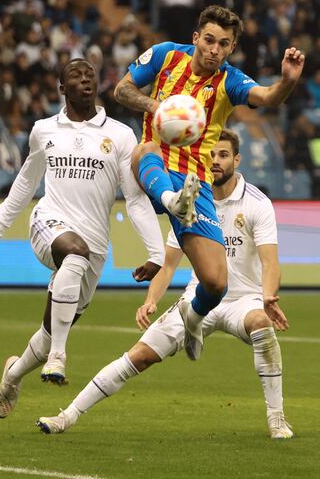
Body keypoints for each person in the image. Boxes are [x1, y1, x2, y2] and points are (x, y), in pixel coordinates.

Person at [36, 129, 293, 439]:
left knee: (261, 323)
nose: (215, 161)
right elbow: (169, 264)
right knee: (138, 356)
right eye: (210, 154)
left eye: (223, 155)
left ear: (237, 159)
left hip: (244, 301)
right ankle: (68, 415)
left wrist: (268, 296)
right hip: (197, 300)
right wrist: (151, 300)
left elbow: (269, 261)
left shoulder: (256, 203)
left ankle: (276, 418)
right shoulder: (192, 199)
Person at [0, 58, 165, 418]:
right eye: (75, 75)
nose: (85, 79)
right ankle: (59, 357)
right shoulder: (44, 129)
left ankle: (14, 374)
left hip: (94, 244)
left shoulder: (120, 134)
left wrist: (156, 252)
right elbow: (27, 181)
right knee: (74, 254)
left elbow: (134, 198)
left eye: (89, 74)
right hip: (49, 222)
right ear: (62, 88)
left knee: (48, 330)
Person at [113, 4, 305, 361]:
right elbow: (121, 91)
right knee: (141, 150)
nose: (215, 50)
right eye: (210, 41)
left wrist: (288, 82)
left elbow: (266, 96)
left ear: (231, 48)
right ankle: (170, 200)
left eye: (224, 44)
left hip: (194, 186)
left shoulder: (229, 81)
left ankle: (193, 317)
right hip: (155, 172)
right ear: (196, 38)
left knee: (216, 283)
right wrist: (157, 107)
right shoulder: (165, 55)